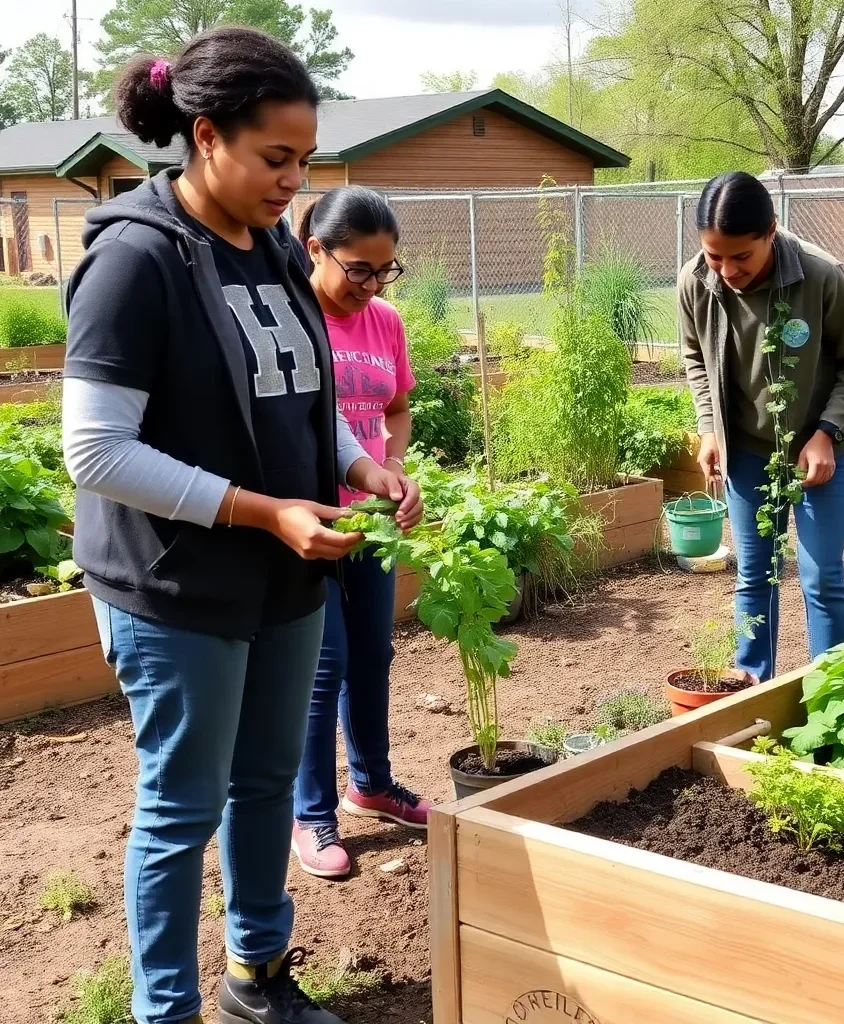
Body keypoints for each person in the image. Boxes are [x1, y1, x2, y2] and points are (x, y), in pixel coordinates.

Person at [62, 27, 418, 1024]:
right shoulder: (136, 262)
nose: (292, 180)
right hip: (177, 588)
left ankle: (258, 976)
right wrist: (262, 511)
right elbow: (94, 451)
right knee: (180, 811)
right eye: (276, 158)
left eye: (304, 160)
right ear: (206, 136)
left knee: (264, 784)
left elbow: (297, 402)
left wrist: (360, 466)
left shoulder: (267, 246)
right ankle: (164, 1010)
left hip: (280, 579)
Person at [680, 171, 844, 682]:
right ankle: (751, 684)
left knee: (821, 577)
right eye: (713, 255)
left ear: (771, 231)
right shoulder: (695, 282)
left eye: (740, 256)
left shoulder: (819, 275)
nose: (726, 270)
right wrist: (710, 428)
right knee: (754, 574)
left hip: (820, 448)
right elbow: (695, 359)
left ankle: (832, 689)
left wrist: (827, 432)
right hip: (747, 449)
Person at [289, 188, 429, 880]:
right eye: (359, 270)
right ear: (315, 249)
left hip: (371, 516)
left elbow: (396, 409)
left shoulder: (385, 324)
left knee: (373, 653)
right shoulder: (290, 318)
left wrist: (395, 470)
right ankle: (310, 812)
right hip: (306, 520)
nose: (372, 286)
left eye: (385, 271)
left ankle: (371, 783)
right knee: (324, 666)